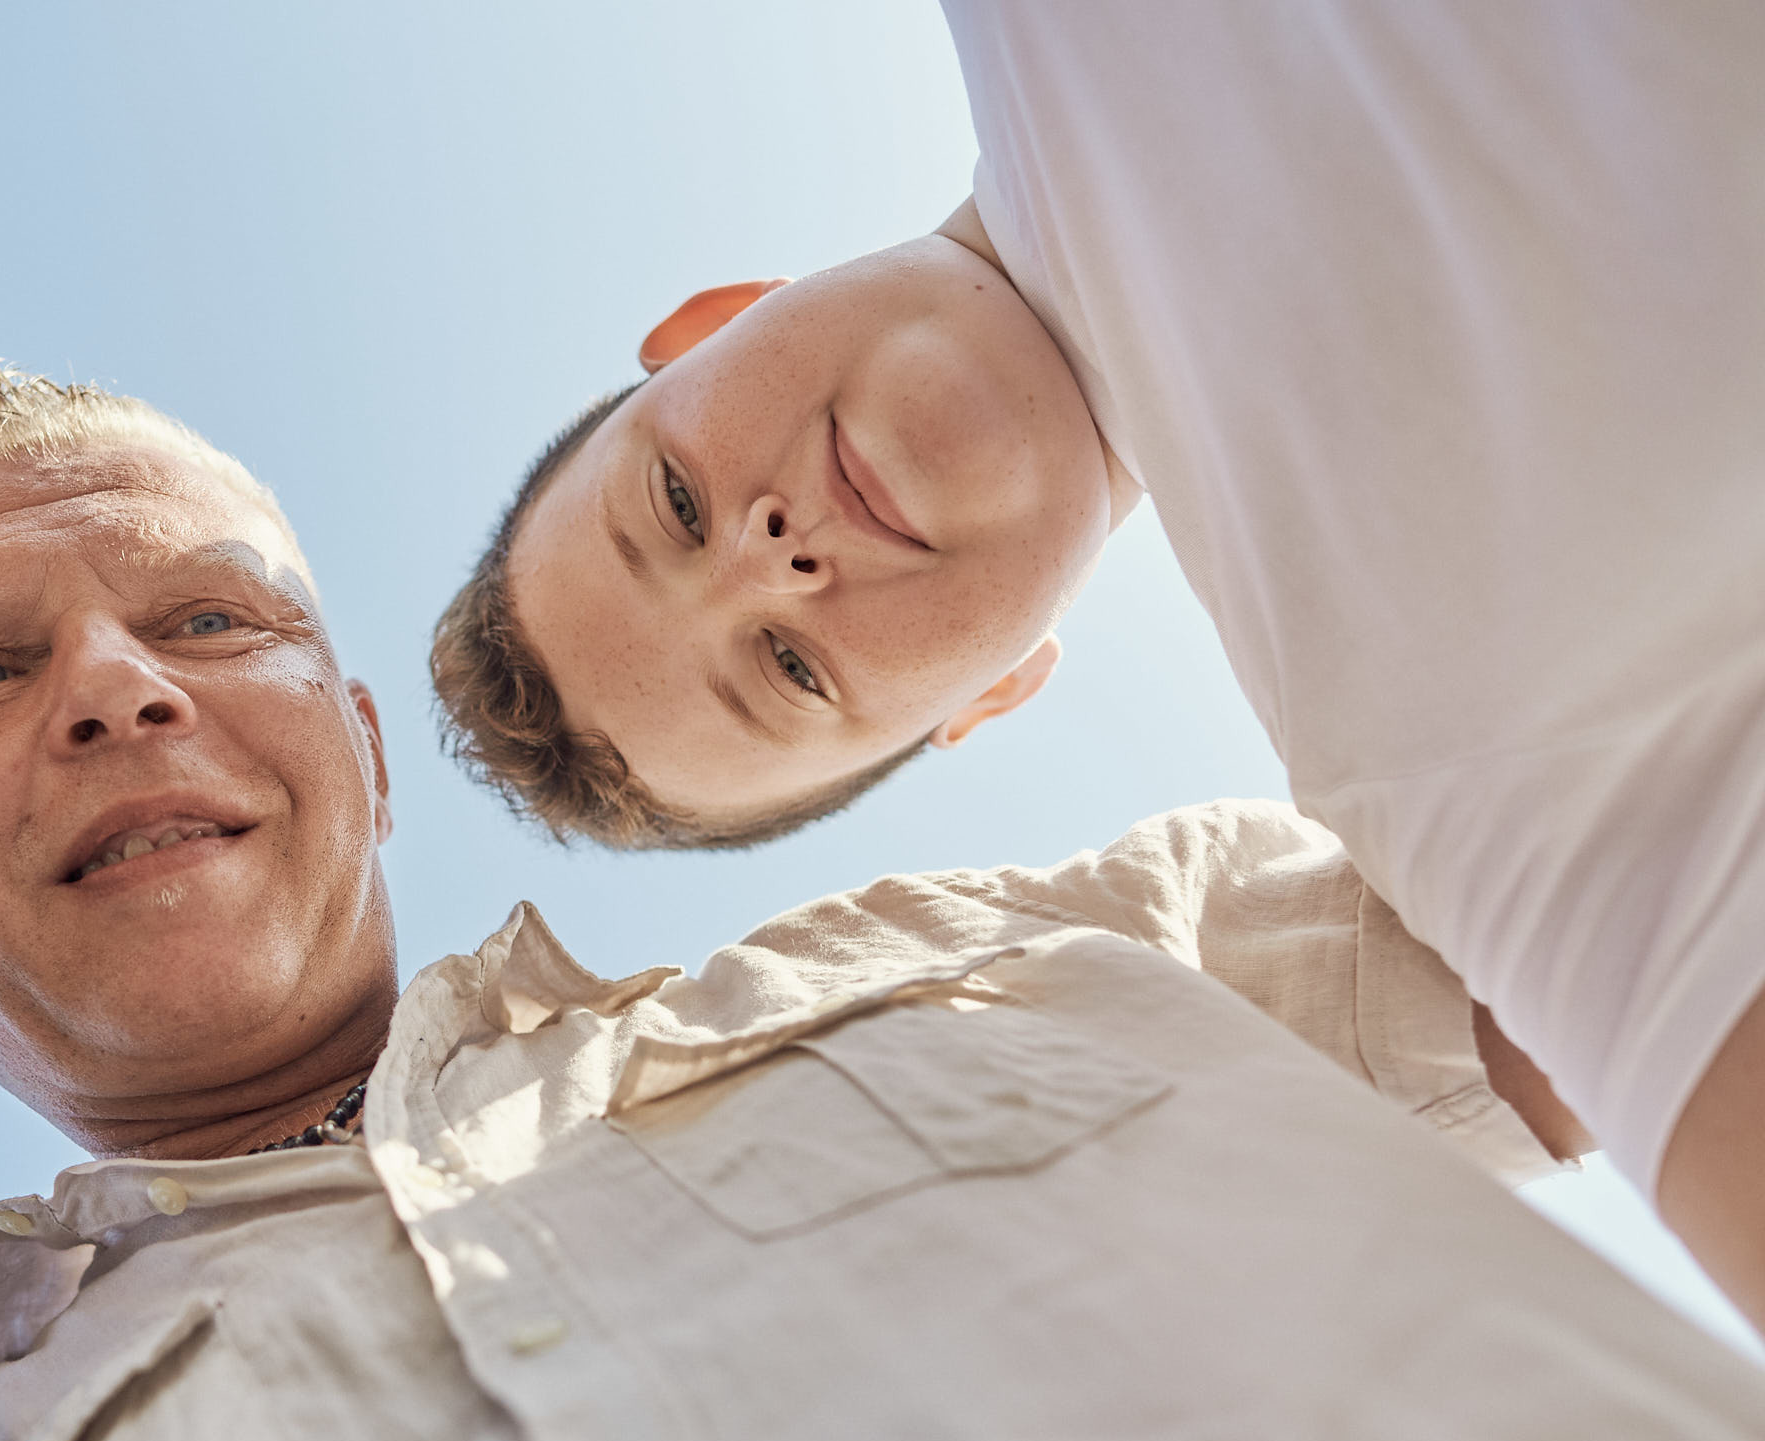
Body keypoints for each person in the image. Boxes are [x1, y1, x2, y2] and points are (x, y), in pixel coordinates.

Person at [0, 371, 1765, 1441]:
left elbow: (1677, 847)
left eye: (213, 622)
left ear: (358, 749)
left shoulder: (1076, 944)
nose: (113, 690)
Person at [431, 1, 1765, 1331]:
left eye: (672, 501)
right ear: (992, 694)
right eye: (788, 667)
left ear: (723, 316)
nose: (769, 562)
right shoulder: (1457, 764)